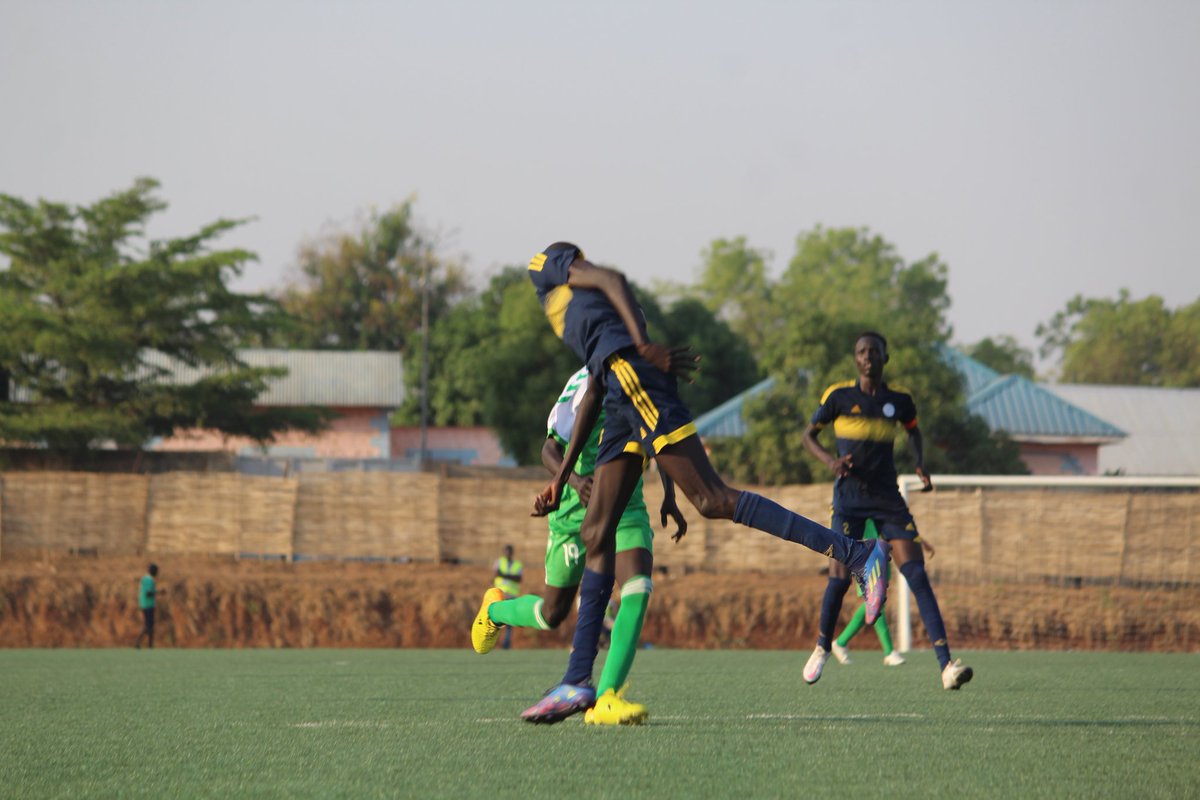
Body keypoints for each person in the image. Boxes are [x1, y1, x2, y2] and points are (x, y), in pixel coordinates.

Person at [512, 242, 890, 717]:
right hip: (618, 395)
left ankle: (858, 553)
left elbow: (613, 279)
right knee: (595, 531)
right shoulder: (591, 329)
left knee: (712, 499)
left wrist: (642, 347)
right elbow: (592, 396)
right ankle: (576, 682)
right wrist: (561, 479)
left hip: (632, 380)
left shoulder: (550, 267)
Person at [473, 366, 685, 725]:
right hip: (574, 512)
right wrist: (574, 481)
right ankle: (495, 611)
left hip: (626, 504)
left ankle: (608, 698)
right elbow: (549, 449)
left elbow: (656, 436)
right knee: (552, 613)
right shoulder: (584, 382)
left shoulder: (645, 378)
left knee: (637, 586)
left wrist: (669, 493)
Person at [801, 331, 973, 690]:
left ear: (885, 358)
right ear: (856, 359)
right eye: (862, 352)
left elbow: (914, 432)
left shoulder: (900, 401)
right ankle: (821, 648)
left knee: (917, 575)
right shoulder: (838, 396)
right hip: (848, 499)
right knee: (839, 577)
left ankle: (946, 666)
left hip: (887, 499)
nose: (868, 357)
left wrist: (921, 463)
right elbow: (808, 436)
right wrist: (831, 462)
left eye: (874, 352)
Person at [830, 523, 937, 668]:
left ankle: (840, 642)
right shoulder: (859, 510)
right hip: (866, 559)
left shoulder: (880, 508)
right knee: (875, 602)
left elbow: (898, 527)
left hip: (882, 559)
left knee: (874, 604)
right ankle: (889, 652)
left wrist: (920, 541)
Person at [492, 545, 523, 650]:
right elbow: (496, 574)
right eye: (506, 552)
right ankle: (493, 642)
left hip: (511, 596)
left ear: (512, 553)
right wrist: (510, 576)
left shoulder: (517, 564)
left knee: (509, 622)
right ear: (503, 552)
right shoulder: (499, 562)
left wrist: (504, 574)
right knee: (496, 621)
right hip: (499, 595)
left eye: (509, 552)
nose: (508, 554)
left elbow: (518, 578)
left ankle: (506, 644)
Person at [134, 563, 158, 649]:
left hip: (145, 604)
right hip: (147, 605)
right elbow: (148, 593)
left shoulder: (145, 579)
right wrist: (158, 592)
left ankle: (150, 645)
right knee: (148, 625)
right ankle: (137, 642)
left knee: (151, 626)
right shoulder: (149, 580)